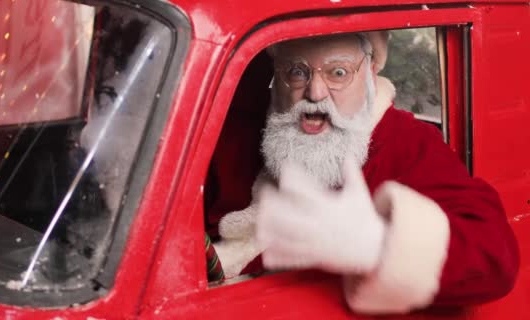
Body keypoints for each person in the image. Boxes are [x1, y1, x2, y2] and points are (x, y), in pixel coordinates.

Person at [210, 31, 519, 314]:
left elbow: (494, 258)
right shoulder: (254, 129)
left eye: (339, 73)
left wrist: (378, 242)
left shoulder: (406, 143)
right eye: (298, 72)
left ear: (371, 74)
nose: (315, 93)